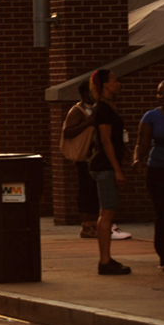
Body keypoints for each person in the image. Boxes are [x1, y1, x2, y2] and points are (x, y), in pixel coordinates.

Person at [88, 69, 132, 275]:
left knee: (107, 211)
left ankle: (106, 260)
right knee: (107, 213)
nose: (118, 83)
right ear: (105, 85)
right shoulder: (103, 109)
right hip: (105, 166)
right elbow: (105, 141)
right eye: (114, 80)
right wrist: (117, 170)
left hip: (106, 165)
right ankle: (105, 261)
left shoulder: (106, 107)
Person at [133, 79, 164, 271]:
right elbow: (142, 142)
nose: (162, 97)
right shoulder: (151, 117)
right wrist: (137, 159)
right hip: (158, 171)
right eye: (159, 93)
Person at [62, 81, 100, 238]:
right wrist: (87, 123)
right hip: (84, 157)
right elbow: (67, 132)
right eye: (90, 92)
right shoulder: (77, 111)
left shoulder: (98, 108)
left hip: (96, 155)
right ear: (83, 94)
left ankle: (94, 224)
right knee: (86, 190)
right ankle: (86, 225)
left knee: (95, 191)